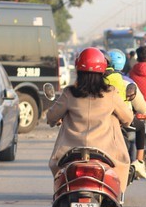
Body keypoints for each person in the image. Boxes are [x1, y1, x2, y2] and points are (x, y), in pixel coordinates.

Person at [46, 47, 133, 193]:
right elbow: (128, 118)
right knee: (124, 165)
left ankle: (60, 197)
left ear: (78, 70)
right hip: (106, 153)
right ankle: (118, 199)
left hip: (71, 152)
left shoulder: (69, 93)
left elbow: (51, 117)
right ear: (103, 71)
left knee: (57, 168)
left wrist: (59, 117)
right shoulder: (110, 93)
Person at [104, 49, 146, 179]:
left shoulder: (98, 81)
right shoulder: (127, 81)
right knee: (141, 127)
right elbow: (141, 107)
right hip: (124, 119)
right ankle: (139, 161)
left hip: (100, 120)